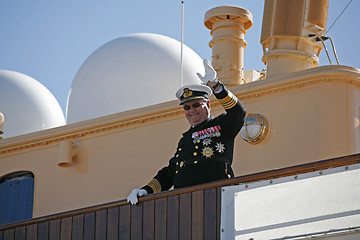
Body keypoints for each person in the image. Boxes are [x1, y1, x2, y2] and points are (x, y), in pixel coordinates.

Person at [127, 59, 246, 205]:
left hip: (218, 198)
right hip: (185, 205)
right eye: (186, 107)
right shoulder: (185, 139)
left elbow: (238, 112)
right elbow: (171, 171)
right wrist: (146, 190)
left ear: (208, 104)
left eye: (196, 104)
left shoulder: (222, 125)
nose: (191, 110)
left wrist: (216, 86)